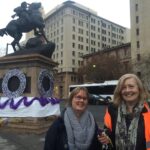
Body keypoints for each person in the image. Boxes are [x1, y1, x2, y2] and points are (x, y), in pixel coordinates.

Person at [98, 73, 150, 150]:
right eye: (123, 88)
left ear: (139, 89)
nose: (127, 90)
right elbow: (107, 132)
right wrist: (105, 138)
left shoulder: (148, 109)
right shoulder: (111, 109)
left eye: (131, 86)